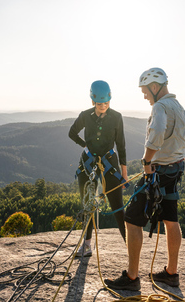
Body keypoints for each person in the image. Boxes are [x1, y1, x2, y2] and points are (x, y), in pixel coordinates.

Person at [105, 67, 185, 291]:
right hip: (174, 170)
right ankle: (171, 273)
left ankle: (132, 278)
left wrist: (146, 161)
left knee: (132, 219)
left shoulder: (161, 107)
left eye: (145, 91)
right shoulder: (178, 107)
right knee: (171, 218)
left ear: (154, 87)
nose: (144, 95)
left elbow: (157, 132)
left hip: (157, 172)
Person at [69, 80, 128, 257]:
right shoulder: (85, 115)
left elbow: (122, 145)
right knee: (88, 205)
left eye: (106, 102)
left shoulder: (116, 117)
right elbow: (72, 132)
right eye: (100, 103)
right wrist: (85, 146)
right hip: (89, 163)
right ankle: (87, 245)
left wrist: (124, 174)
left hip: (110, 163)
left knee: (117, 206)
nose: (103, 106)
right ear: (93, 100)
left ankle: (130, 247)